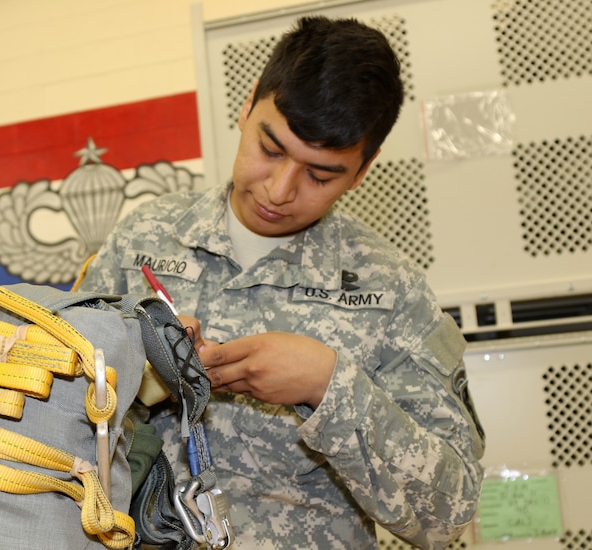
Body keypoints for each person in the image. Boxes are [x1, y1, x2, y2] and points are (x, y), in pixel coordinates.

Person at [76, 15, 485, 549]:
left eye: (320, 175)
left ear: (364, 170)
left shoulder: (392, 292)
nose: (279, 189)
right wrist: (137, 367)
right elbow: (54, 411)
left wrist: (330, 387)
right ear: (247, 107)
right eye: (270, 149)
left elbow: (447, 515)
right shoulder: (144, 239)